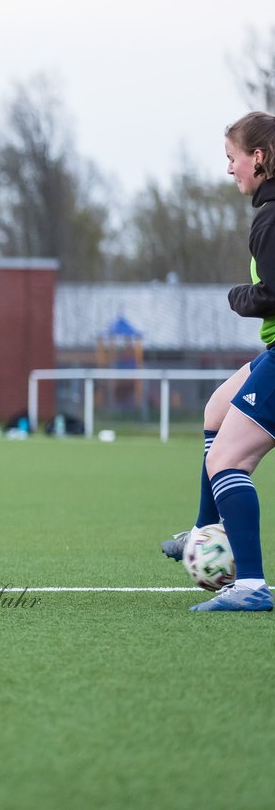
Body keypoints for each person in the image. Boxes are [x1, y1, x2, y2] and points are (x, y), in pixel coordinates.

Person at [164, 111, 275, 611]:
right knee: (216, 409)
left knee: (229, 460)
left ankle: (249, 586)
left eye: (232, 158)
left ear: (258, 157)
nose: (228, 168)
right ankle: (203, 533)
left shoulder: (270, 219)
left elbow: (273, 293)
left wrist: (241, 296)